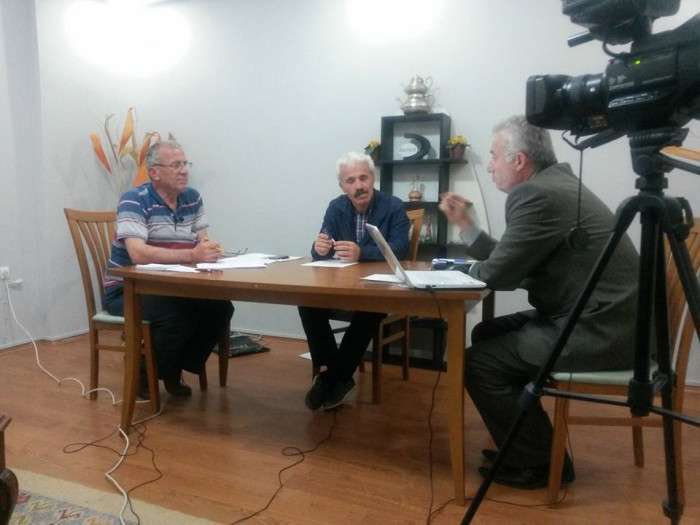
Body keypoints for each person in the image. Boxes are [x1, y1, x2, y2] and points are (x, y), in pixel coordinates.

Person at [439, 116, 638, 489]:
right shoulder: (553, 185)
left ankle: (541, 464)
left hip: (600, 329)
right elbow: (511, 260)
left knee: (479, 363)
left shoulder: (536, 195)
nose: (490, 165)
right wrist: (467, 226)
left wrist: (458, 271)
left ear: (519, 160)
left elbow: (499, 275)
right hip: (606, 318)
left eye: (494, 155)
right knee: (486, 333)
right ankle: (527, 444)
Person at [103, 141, 234, 398]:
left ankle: (172, 367)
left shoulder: (192, 198)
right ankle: (146, 372)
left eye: (185, 164)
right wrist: (192, 255)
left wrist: (208, 251)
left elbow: (202, 243)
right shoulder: (134, 199)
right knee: (177, 314)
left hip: (173, 285)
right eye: (176, 165)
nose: (184, 170)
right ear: (154, 172)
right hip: (128, 290)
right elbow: (137, 254)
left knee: (220, 308)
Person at [299, 152, 410, 410]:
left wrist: (362, 253)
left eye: (363, 178)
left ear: (373, 178)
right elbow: (322, 247)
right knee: (306, 301)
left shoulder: (393, 206)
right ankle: (335, 375)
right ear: (342, 186)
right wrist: (319, 248)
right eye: (351, 181)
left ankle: (330, 378)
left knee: (369, 308)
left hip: (380, 288)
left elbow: (400, 249)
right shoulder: (336, 207)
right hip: (342, 285)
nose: (359, 185)